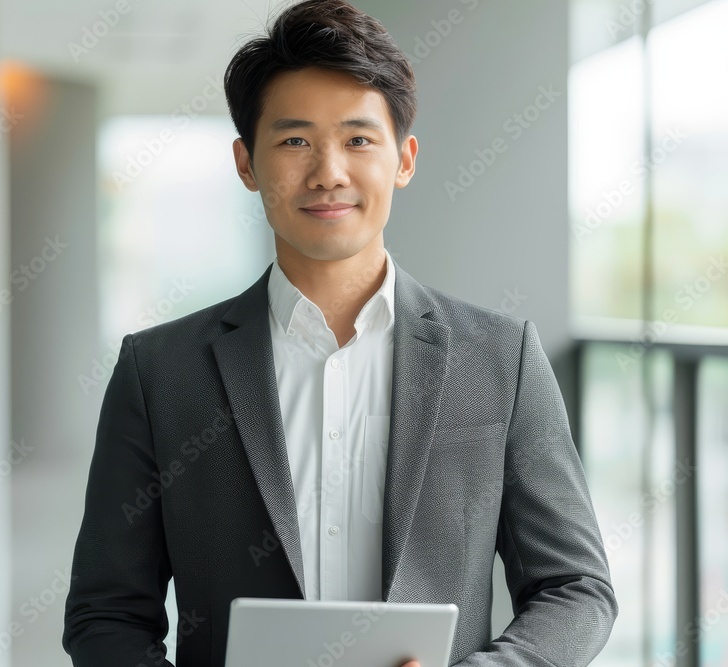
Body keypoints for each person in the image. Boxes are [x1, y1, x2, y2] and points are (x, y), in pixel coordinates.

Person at [63, 1, 617, 665]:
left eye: (358, 139)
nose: (329, 171)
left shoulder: (500, 358)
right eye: (295, 140)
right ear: (246, 163)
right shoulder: (160, 370)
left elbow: (576, 587)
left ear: (404, 159)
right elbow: (106, 612)